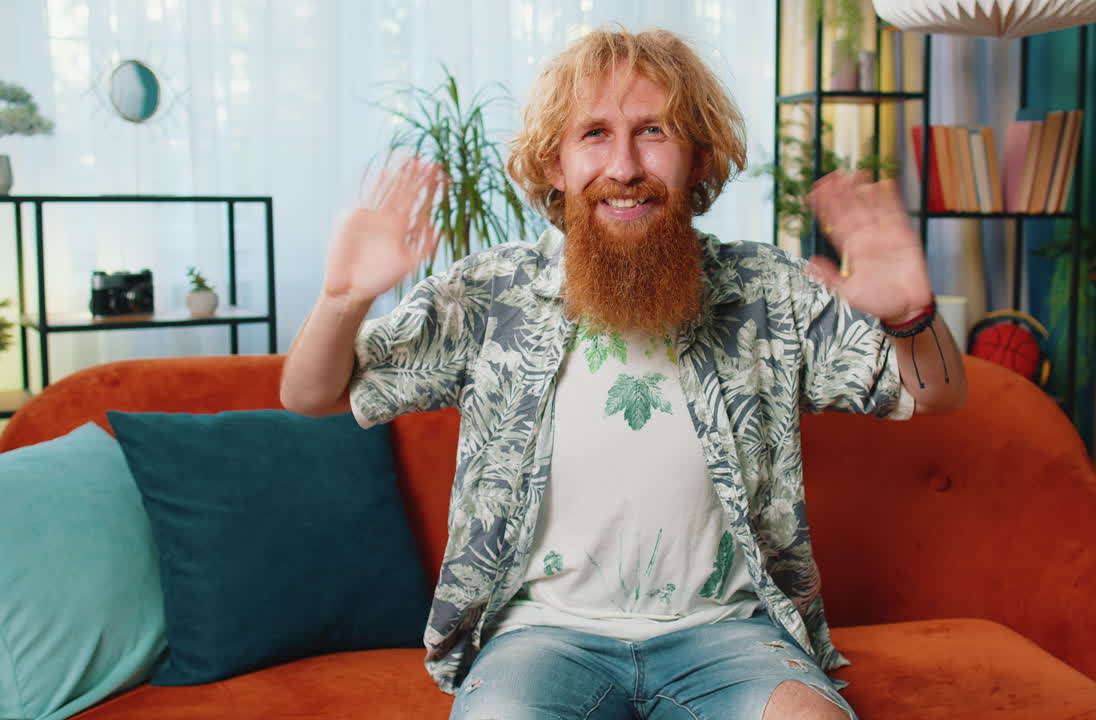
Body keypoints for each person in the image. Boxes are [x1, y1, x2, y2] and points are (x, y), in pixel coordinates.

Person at [281, 28, 967, 720]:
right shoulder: (490, 293)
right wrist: (343, 299)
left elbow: (934, 393)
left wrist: (911, 316)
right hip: (539, 640)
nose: (625, 165)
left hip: (731, 635)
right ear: (555, 163)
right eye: (594, 135)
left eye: (654, 131)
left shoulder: (764, 289)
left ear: (698, 156)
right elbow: (309, 395)